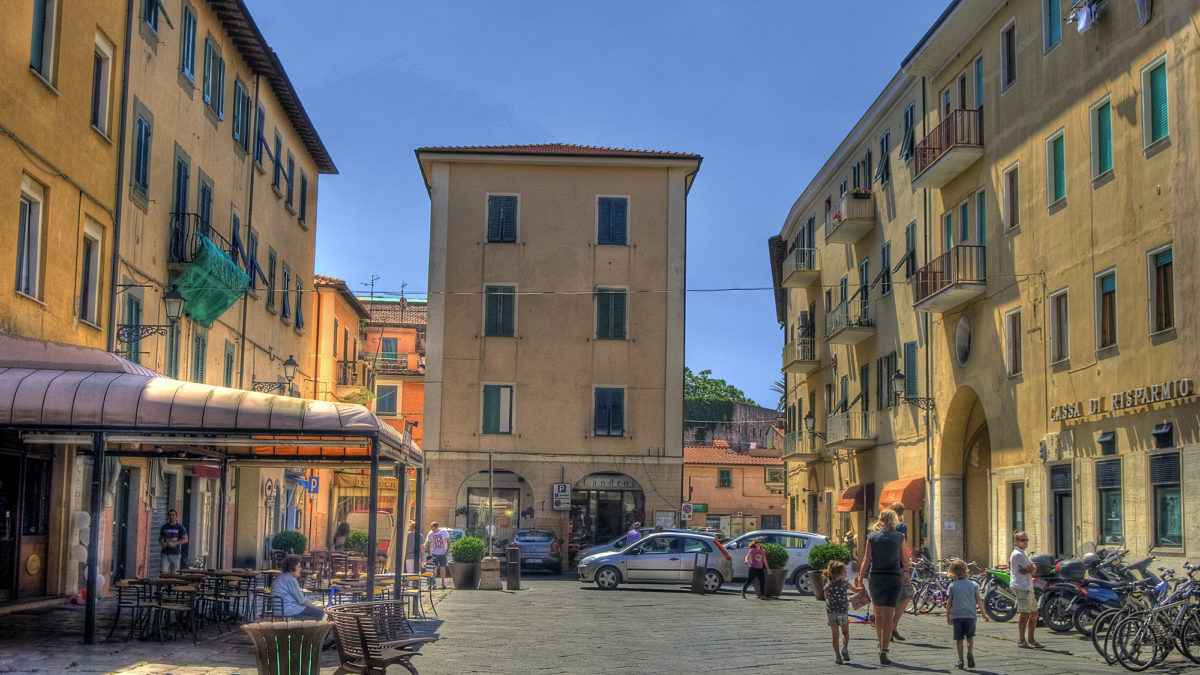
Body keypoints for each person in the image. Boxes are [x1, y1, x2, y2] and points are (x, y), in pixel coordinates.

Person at [856, 508, 910, 665]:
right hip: (893, 578)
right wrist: (906, 570)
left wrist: (860, 579)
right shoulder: (900, 537)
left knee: (878, 614)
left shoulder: (872, 537)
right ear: (894, 520)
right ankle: (884, 651)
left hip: (876, 578)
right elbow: (905, 557)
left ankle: (880, 643)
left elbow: (866, 559)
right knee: (889, 615)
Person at [946, 558, 990, 669]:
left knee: (959, 639)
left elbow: (949, 603)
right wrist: (984, 614)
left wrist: (948, 616)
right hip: (970, 615)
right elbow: (979, 600)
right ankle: (970, 652)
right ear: (966, 570)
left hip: (957, 616)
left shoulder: (953, 586)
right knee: (970, 637)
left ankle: (960, 661)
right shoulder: (973, 585)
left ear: (953, 572)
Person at [1009, 530, 1043, 649]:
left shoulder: (1023, 553)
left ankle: (1031, 639)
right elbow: (1032, 569)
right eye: (1022, 540)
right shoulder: (1017, 554)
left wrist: (1030, 568)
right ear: (1016, 541)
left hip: (1028, 586)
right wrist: (1031, 568)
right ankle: (1021, 640)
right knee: (1024, 614)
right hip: (1021, 586)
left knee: (1034, 613)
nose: (1025, 542)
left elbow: (1031, 568)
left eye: (1026, 540)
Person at [271, 554, 324, 619]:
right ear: (291, 569)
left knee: (312, 612)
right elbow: (302, 601)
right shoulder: (290, 579)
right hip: (289, 610)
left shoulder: (281, 577)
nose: (301, 569)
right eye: (298, 567)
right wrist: (319, 608)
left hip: (279, 610)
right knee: (320, 613)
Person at [890, 502, 911, 642]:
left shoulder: (880, 527)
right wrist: (906, 568)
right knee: (906, 594)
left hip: (882, 567)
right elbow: (903, 547)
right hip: (898, 566)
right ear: (902, 512)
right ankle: (892, 626)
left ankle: (886, 629)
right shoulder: (901, 526)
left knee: (888, 598)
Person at [824, 560, 852, 665]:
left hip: (831, 612)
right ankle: (844, 648)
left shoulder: (828, 585)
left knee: (835, 636)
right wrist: (860, 588)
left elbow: (825, 597)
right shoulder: (845, 583)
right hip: (843, 611)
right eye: (845, 572)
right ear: (840, 574)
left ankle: (837, 657)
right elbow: (856, 590)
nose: (846, 574)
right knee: (845, 632)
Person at [159, 509, 188, 575]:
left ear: (176, 516)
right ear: (168, 516)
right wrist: (162, 543)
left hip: (175, 554)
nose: (171, 516)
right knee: (163, 572)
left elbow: (185, 539)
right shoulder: (164, 527)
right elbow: (160, 538)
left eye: (173, 515)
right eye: (169, 515)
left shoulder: (180, 527)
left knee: (175, 574)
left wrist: (174, 543)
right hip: (165, 554)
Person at [425, 522, 451, 589]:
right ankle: (433, 584)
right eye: (432, 529)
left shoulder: (443, 532)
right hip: (435, 552)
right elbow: (429, 543)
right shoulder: (431, 534)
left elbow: (448, 541)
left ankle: (443, 583)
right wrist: (429, 554)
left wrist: (447, 551)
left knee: (443, 568)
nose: (433, 530)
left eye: (434, 529)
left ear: (437, 527)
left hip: (443, 552)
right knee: (433, 568)